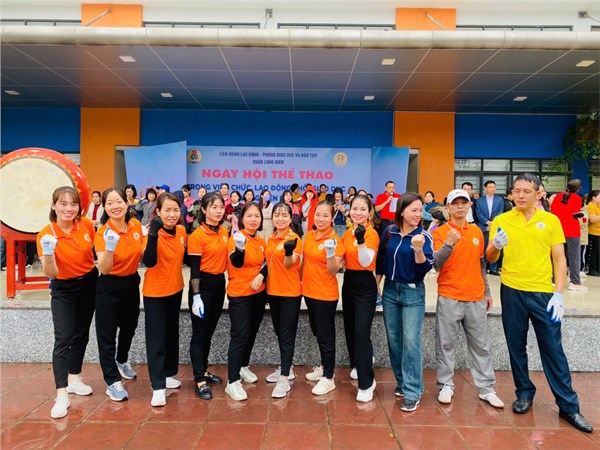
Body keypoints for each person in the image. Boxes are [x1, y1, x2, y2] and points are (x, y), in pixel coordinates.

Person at [486, 173, 593, 433]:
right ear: (511, 193)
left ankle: (569, 406)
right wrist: (496, 245)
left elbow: (559, 259)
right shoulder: (501, 220)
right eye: (517, 190)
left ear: (538, 194)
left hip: (543, 294)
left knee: (553, 348)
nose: (521, 195)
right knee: (516, 345)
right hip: (512, 291)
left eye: (527, 191)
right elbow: (490, 257)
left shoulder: (551, 220)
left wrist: (559, 294)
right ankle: (524, 392)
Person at [431, 189, 504, 409]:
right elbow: (436, 264)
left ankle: (486, 388)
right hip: (449, 295)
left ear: (470, 206)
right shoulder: (439, 232)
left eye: (464, 202)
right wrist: (449, 243)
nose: (460, 207)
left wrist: (487, 292)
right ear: (448, 207)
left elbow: (481, 264)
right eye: (455, 203)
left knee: (481, 345)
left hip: (475, 296)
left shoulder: (476, 232)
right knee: (445, 344)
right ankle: (446, 384)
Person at [36, 186, 98, 419]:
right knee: (63, 338)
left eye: (73, 204)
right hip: (63, 288)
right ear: (54, 206)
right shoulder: (45, 235)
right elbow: (51, 273)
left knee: (82, 333)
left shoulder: (86, 225)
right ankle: (61, 393)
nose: (69, 209)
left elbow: (94, 252)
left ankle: (74, 378)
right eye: (63, 203)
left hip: (88, 283)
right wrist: (49, 252)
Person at [376, 192, 433, 412]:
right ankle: (401, 382)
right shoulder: (389, 232)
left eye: (420, 210)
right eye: (413, 210)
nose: (418, 214)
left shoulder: (424, 237)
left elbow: (424, 268)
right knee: (394, 339)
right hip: (390, 290)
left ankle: (412, 391)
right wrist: (377, 284)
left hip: (412, 292)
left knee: (411, 341)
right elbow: (381, 259)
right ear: (401, 211)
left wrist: (418, 249)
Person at [94, 188, 143, 402]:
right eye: (110, 203)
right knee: (107, 334)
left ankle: (121, 360)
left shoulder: (135, 225)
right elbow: (104, 268)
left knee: (130, 327)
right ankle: (112, 381)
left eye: (119, 201)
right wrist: (110, 246)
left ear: (127, 202)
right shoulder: (102, 233)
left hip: (131, 282)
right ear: (105, 207)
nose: (116, 206)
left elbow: (141, 251)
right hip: (109, 285)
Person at [141, 192, 186, 407]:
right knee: (156, 339)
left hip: (175, 289)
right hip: (155, 293)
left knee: (170, 335)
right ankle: (158, 386)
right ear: (157, 211)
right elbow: (149, 261)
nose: (172, 214)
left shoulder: (181, 231)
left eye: (175, 210)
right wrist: (153, 234)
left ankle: (167, 374)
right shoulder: (151, 233)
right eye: (167, 210)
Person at [187, 192, 229, 400]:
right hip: (202, 286)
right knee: (199, 333)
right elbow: (194, 269)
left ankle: (203, 370)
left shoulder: (224, 231)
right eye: (213, 207)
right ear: (204, 210)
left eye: (221, 207)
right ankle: (199, 379)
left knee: (209, 331)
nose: (218, 211)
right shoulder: (197, 235)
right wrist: (196, 296)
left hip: (219, 284)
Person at [225, 202, 268, 401]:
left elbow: (267, 263)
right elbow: (236, 261)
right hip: (240, 295)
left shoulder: (260, 241)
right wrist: (240, 248)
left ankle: (243, 366)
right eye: (249, 216)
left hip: (258, 294)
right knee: (240, 335)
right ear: (242, 219)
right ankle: (232, 381)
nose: (253, 219)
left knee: (251, 333)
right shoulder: (236, 239)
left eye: (257, 216)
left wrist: (261, 275)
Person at [341, 195, 380, 402]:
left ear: (369, 212)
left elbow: (366, 261)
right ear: (349, 211)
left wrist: (362, 240)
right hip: (349, 282)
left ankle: (367, 383)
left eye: (362, 209)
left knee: (361, 331)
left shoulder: (371, 233)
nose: (358, 212)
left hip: (365, 284)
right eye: (354, 208)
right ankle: (357, 364)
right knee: (350, 329)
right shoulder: (347, 233)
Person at [303, 201, 344, 395]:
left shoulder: (335, 240)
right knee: (317, 332)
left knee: (326, 335)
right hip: (309, 292)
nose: (320, 219)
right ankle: (323, 366)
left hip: (325, 295)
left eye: (325, 215)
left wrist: (329, 252)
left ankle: (329, 377)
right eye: (317, 214)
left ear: (332, 218)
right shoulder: (310, 235)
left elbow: (333, 269)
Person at [264, 202, 302, 398]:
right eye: (277, 215)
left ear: (290, 218)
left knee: (287, 335)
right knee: (280, 332)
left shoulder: (294, 239)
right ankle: (288, 367)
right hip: (273, 292)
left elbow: (290, 264)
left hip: (289, 293)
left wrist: (288, 252)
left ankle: (284, 378)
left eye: (284, 215)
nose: (280, 218)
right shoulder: (271, 238)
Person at [551, 179, 587, 291]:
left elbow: (553, 210)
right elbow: (575, 213)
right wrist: (581, 215)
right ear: (579, 189)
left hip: (558, 230)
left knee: (557, 256)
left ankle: (554, 280)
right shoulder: (576, 198)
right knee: (574, 257)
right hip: (572, 230)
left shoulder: (558, 196)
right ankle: (575, 282)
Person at [475, 180, 504, 275]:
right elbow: (478, 213)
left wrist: (493, 223)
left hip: (494, 226)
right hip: (483, 227)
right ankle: (483, 267)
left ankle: (493, 268)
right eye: (490, 187)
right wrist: (487, 223)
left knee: (494, 246)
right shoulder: (480, 200)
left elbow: (500, 212)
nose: (493, 189)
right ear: (485, 188)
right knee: (483, 247)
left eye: (494, 187)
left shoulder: (499, 200)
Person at [587, 190, 600, 276]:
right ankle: (592, 269)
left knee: (598, 252)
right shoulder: (590, 205)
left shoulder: (598, 205)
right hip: (593, 232)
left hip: (599, 232)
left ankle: (598, 269)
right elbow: (592, 219)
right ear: (593, 197)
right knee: (594, 252)